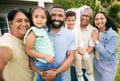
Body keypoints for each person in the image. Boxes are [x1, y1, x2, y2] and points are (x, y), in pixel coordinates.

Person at [36, 5, 76, 81]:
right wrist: (40, 72)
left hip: (62, 76)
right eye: (53, 15)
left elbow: (71, 56)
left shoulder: (70, 35)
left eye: (60, 15)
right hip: (43, 75)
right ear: (49, 17)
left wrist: (56, 72)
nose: (56, 18)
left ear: (65, 18)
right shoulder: (40, 32)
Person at [24, 6, 60, 81]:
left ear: (46, 19)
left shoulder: (42, 29)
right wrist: (45, 56)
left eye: (42, 17)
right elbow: (28, 50)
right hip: (43, 63)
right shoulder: (33, 32)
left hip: (48, 62)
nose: (39, 20)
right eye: (36, 17)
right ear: (32, 18)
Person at [0, 8, 34, 81]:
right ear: (11, 24)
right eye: (19, 21)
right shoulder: (6, 41)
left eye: (27, 21)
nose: (24, 24)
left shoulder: (26, 40)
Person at [92, 11, 118, 81]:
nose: (99, 21)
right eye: (96, 19)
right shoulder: (95, 32)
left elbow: (107, 54)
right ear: (94, 21)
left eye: (101, 18)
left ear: (106, 20)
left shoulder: (113, 34)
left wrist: (96, 41)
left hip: (108, 65)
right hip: (96, 63)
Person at [74, 7, 95, 81]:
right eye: (83, 15)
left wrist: (80, 54)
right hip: (74, 63)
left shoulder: (93, 30)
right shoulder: (74, 27)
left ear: (90, 18)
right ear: (80, 16)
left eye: (87, 16)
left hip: (86, 65)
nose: (84, 18)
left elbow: (91, 48)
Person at [65, 10, 84, 81]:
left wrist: (81, 47)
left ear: (75, 20)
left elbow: (80, 40)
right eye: (69, 20)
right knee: (67, 70)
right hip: (67, 53)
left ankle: (79, 74)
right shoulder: (64, 31)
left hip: (76, 50)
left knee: (78, 59)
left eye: (73, 20)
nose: (71, 22)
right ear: (65, 21)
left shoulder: (77, 30)